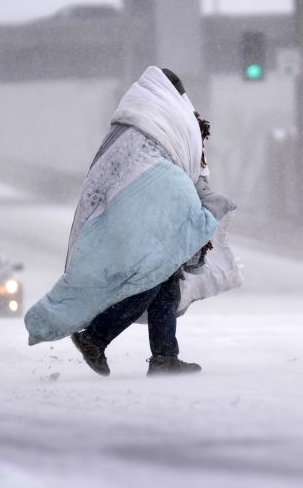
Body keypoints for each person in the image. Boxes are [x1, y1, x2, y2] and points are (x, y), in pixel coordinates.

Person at [24, 66, 238, 376]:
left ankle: (165, 356)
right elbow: (182, 165)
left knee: (165, 279)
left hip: (129, 211)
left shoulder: (133, 122)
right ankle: (95, 337)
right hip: (144, 211)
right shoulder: (168, 119)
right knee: (151, 276)